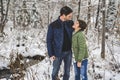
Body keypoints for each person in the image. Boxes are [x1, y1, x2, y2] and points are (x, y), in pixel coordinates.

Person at [46, 6, 74, 80]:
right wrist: (51, 54)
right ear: (63, 15)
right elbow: (49, 40)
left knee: (67, 72)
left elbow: (78, 30)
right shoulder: (53, 25)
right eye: (69, 16)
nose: (71, 17)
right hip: (57, 53)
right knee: (55, 72)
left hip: (68, 52)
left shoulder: (70, 23)